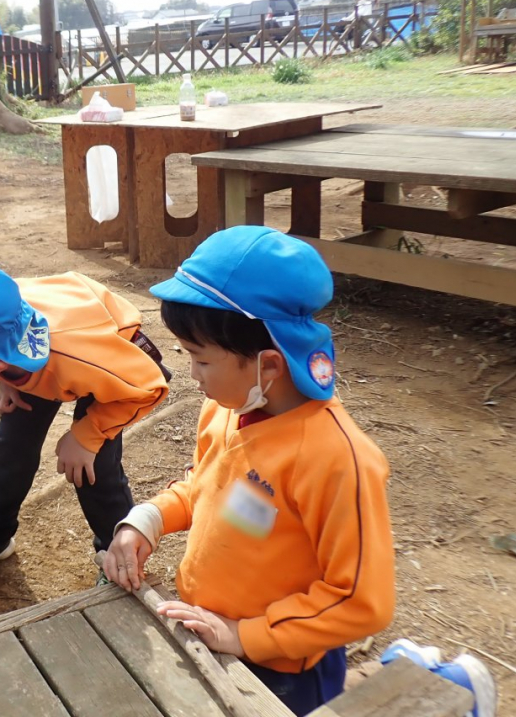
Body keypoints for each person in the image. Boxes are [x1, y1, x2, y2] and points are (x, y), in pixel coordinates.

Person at [102, 226, 395, 717]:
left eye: (200, 359)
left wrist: (246, 635)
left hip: (284, 668)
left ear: (269, 366)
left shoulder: (336, 459)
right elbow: (209, 488)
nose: (191, 374)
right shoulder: (227, 409)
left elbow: (360, 599)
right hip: (210, 632)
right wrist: (147, 520)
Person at [0, 256, 170, 588]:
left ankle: (116, 553)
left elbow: (148, 386)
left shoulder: (77, 358)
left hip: (109, 361)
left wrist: (87, 435)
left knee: (94, 467)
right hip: (33, 357)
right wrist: (6, 380)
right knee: (10, 447)